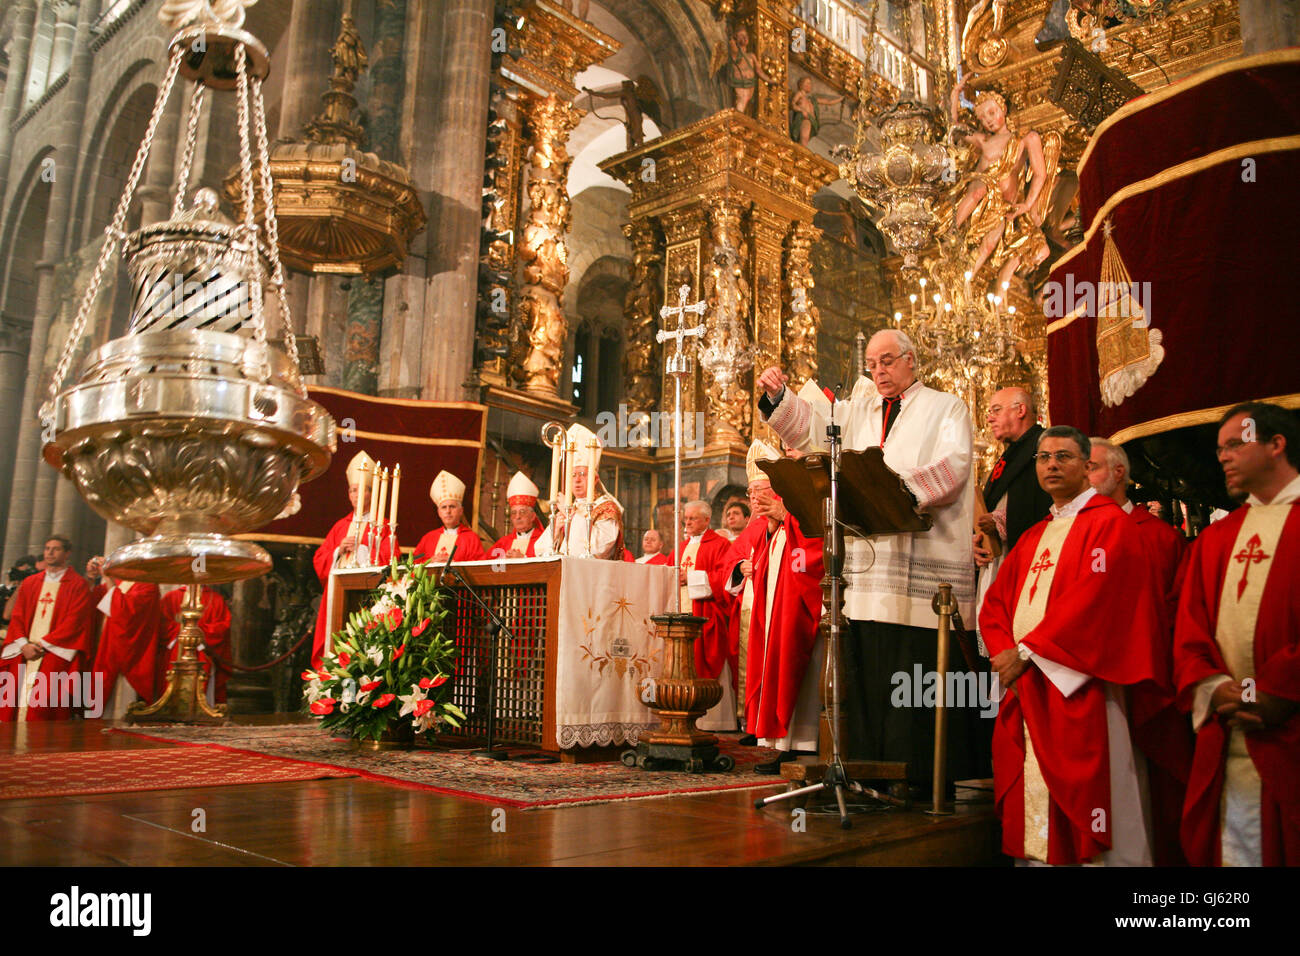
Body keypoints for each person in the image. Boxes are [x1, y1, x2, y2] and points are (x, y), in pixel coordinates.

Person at [757, 329, 979, 789]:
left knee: (912, 679)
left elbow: (955, 465)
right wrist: (780, 397)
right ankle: (865, 774)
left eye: (887, 361)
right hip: (866, 581)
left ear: (911, 361)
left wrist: (894, 490)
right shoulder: (858, 411)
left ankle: (917, 779)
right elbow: (813, 429)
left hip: (922, 572)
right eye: (872, 364)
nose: (878, 371)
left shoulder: (946, 407)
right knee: (868, 674)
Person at [980, 426, 1169, 864]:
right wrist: (1004, 653)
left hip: (1084, 688)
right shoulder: (1033, 536)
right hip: (1031, 689)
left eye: (1063, 457)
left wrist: (1026, 654)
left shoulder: (1110, 526)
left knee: (1100, 799)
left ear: (1087, 467)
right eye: (1044, 458)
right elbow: (996, 604)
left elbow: (1097, 603)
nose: (1051, 465)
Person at [1174, 402, 1300, 866]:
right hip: (1227, 731)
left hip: (1290, 729)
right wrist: (1213, 688)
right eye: (1219, 448)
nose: (1222, 456)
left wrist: (1277, 692)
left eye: (1235, 444)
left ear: (1275, 445)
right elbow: (1188, 630)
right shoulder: (1217, 538)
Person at [1088, 435, 1194, 865]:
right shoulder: (1067, 533)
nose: (1081, 474)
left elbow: (1178, 610)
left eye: (1090, 466)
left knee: (1150, 785)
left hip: (1145, 680)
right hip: (1088, 683)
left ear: (1118, 473)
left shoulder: (1159, 538)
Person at [746, 462, 825, 773]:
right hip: (781, 595)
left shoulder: (816, 480)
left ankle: (801, 743)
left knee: (800, 667)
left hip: (801, 595)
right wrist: (774, 525)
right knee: (780, 662)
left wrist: (784, 517)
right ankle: (784, 743)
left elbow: (822, 528)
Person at [974, 387, 1052, 651]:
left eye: (996, 410)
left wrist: (1000, 523)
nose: (989, 418)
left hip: (1027, 565)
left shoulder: (1043, 446)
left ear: (1020, 410)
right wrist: (979, 541)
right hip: (999, 561)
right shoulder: (1011, 455)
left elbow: (1042, 506)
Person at [311, 451, 392, 666]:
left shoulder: (382, 525)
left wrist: (366, 552)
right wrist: (338, 550)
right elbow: (320, 559)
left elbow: (390, 559)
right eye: (352, 490)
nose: (356, 495)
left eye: (361, 491)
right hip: (339, 594)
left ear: (371, 494)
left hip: (366, 594)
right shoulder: (341, 526)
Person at [0, 536, 93, 722]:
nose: (50, 553)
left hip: (54, 653)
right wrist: (24, 645)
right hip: (24, 652)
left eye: (56, 549)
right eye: (47, 548)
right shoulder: (31, 582)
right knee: (13, 702)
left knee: (46, 706)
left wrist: (41, 645)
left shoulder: (77, 585)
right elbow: (17, 617)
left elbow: (74, 622)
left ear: (67, 554)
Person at [726, 440, 782, 738]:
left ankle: (766, 722)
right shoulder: (752, 528)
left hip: (774, 601)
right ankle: (749, 720)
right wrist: (740, 569)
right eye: (751, 492)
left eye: (759, 491)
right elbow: (731, 562)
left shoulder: (783, 520)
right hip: (749, 603)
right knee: (749, 663)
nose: (754, 498)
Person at [675, 500, 738, 732]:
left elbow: (723, 577)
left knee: (708, 659)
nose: (687, 522)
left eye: (692, 518)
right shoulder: (679, 547)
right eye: (686, 518)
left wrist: (689, 578)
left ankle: (714, 721)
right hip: (680, 610)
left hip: (706, 613)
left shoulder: (720, 545)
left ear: (706, 520)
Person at [87, 558, 163, 720]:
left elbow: (126, 614)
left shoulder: (148, 585)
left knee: (121, 708)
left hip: (129, 654)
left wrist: (107, 578)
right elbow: (93, 601)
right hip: (106, 647)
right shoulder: (121, 582)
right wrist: (91, 579)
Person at [537, 424, 624, 559]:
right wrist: (556, 530)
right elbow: (540, 550)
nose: (577, 480)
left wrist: (573, 516)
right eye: (573, 475)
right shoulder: (569, 507)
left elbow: (599, 548)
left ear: (595, 479)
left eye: (582, 474)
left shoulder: (606, 508)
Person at [158, 585, 232, 706]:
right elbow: (161, 624)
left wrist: (198, 632)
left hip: (203, 652)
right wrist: (182, 630)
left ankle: (202, 710)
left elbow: (222, 627)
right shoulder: (171, 597)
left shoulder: (216, 599)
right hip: (175, 651)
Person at [414, 471, 487, 564]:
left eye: (452, 506)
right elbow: (413, 564)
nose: (448, 511)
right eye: (444, 507)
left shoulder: (472, 538)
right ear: (439, 512)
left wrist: (454, 564)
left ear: (461, 511)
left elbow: (479, 568)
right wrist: (430, 562)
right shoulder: (428, 538)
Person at [490, 472, 546, 559]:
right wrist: (503, 560)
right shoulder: (503, 543)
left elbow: (547, 568)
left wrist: (523, 558)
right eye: (514, 513)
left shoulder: (543, 541)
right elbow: (487, 567)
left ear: (532, 516)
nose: (517, 517)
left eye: (522, 512)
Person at [789, 75, 843, 146]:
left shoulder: (812, 100)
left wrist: (840, 99)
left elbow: (828, 102)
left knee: (806, 139)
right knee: (804, 138)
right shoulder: (800, 94)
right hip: (804, 118)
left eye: (810, 84)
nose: (809, 85)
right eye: (807, 83)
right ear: (802, 84)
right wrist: (802, 110)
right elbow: (792, 104)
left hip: (812, 121)